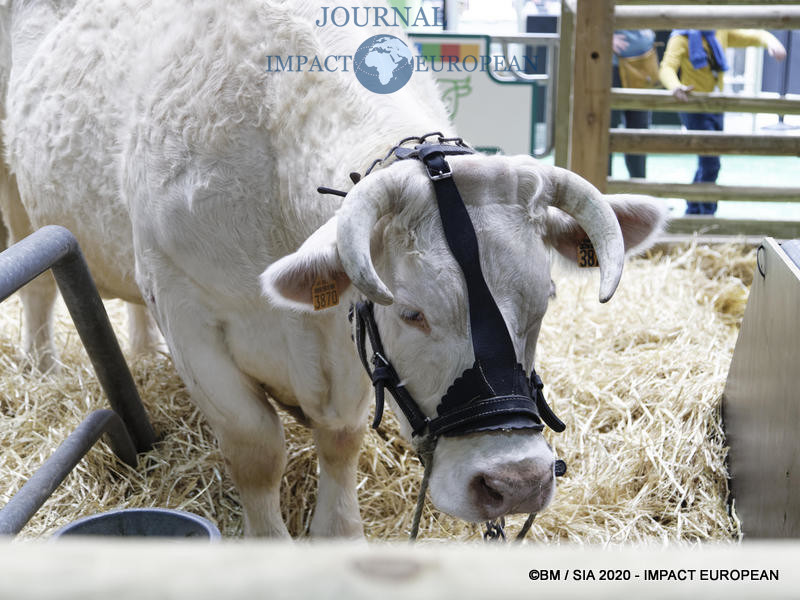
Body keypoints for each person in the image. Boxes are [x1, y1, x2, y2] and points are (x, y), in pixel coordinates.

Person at [659, 29, 786, 215]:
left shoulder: (720, 31)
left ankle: (693, 210)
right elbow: (667, 67)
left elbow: (755, 35)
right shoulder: (681, 37)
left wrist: (773, 42)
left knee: (707, 161)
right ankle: (707, 214)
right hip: (694, 107)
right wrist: (676, 86)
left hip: (716, 106)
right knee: (711, 163)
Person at [610, 29, 656, 179]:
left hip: (642, 66)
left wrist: (648, 35)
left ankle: (639, 185)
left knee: (639, 130)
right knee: (606, 129)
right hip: (611, 68)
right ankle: (601, 189)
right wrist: (603, 37)